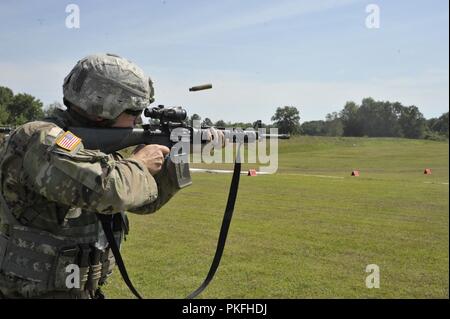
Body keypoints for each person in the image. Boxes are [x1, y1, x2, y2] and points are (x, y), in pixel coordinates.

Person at [0, 53, 220, 299]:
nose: (139, 119)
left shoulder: (87, 146)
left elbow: (144, 202)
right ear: (102, 107)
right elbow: (109, 191)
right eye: (134, 110)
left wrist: (175, 156)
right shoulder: (43, 137)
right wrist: (139, 163)